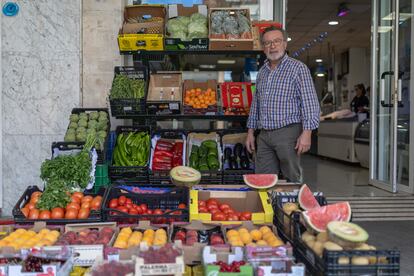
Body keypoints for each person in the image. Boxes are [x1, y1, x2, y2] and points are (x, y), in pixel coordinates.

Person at [245, 26, 320, 183]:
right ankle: (267, 207)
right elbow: (256, 104)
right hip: (264, 134)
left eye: (276, 41)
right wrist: (251, 132)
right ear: (263, 47)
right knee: (263, 178)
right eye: (267, 43)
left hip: (288, 132)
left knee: (292, 177)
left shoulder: (298, 69)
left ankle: (293, 206)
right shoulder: (262, 72)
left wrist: (307, 133)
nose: (272, 46)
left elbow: (310, 103)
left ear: (285, 44)